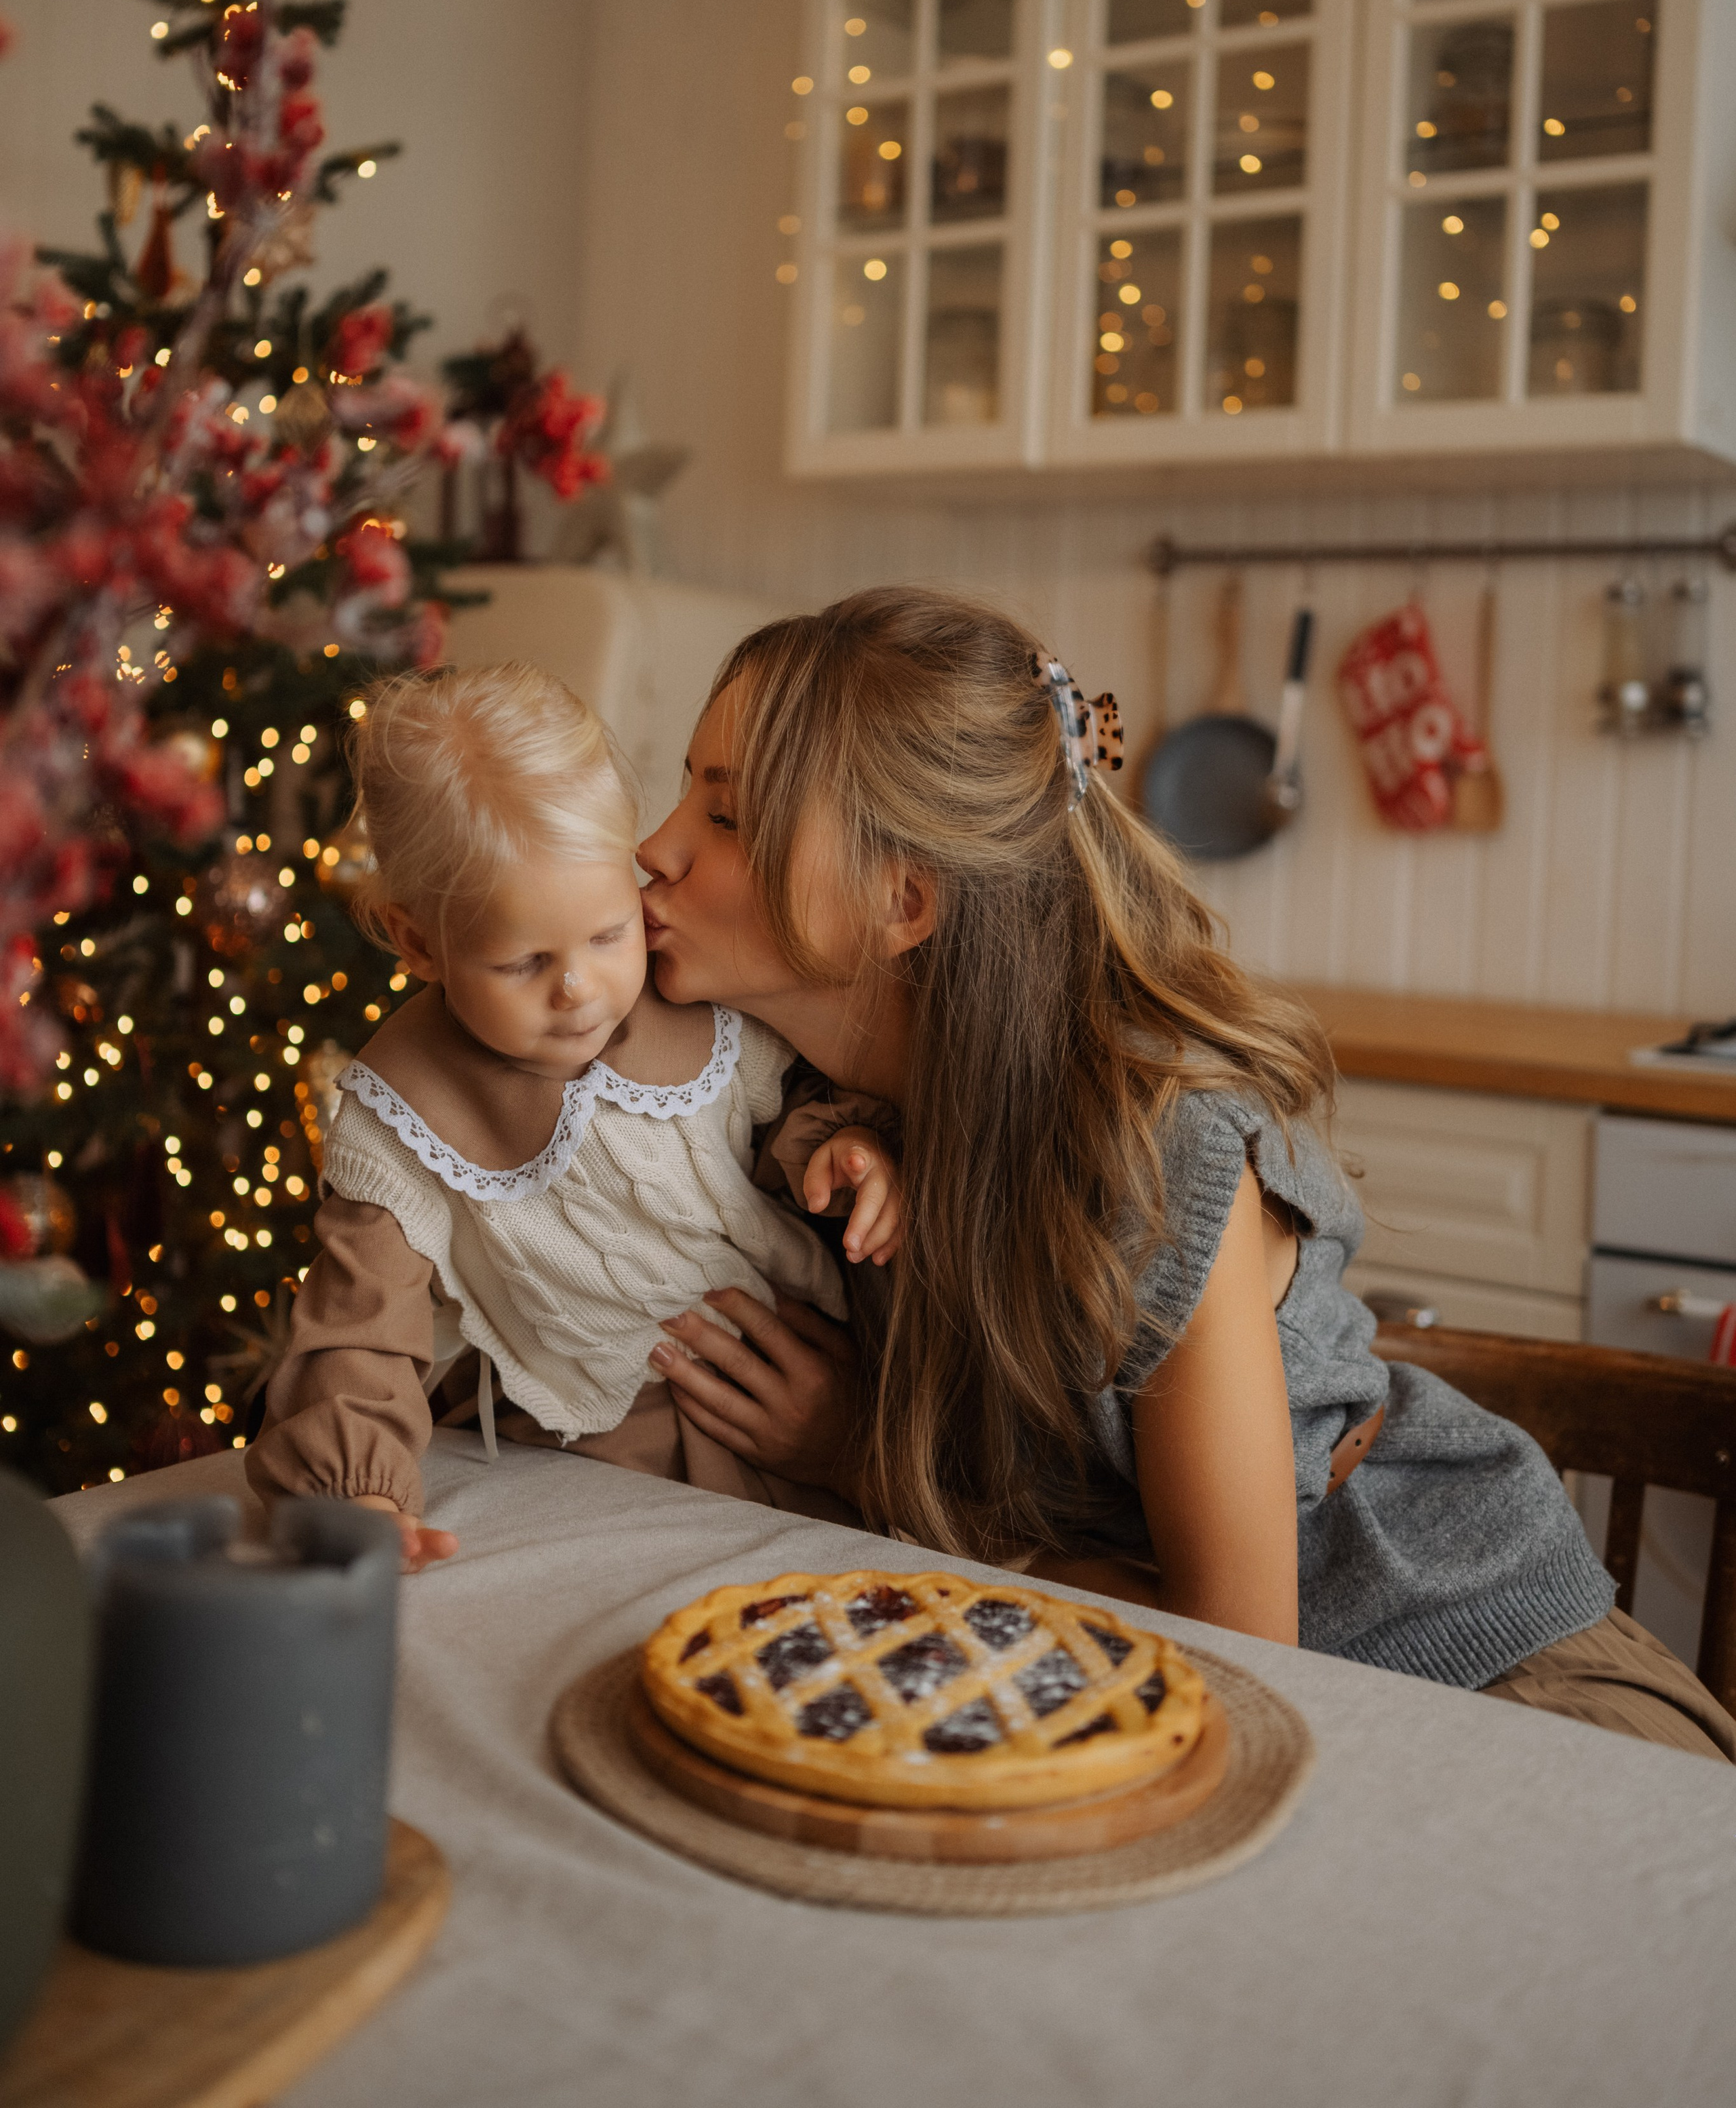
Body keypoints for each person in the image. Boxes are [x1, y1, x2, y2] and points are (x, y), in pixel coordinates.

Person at [634, 585, 1736, 1761]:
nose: (654, 848)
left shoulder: (1153, 1156)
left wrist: (872, 1465)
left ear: (902, 901)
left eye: (731, 817)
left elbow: (1240, 1645)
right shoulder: (809, 1097)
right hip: (1189, 1691)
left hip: (1470, 1665)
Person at [245, 661, 898, 1567]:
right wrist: (359, 1488)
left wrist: (852, 1148)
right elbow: (359, 1331)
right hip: (601, 1446)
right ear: (419, 941)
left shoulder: (692, 1000)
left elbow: (792, 1111)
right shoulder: (400, 1113)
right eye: (522, 963)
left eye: (608, 932)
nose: (580, 990)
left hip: (808, 1406)